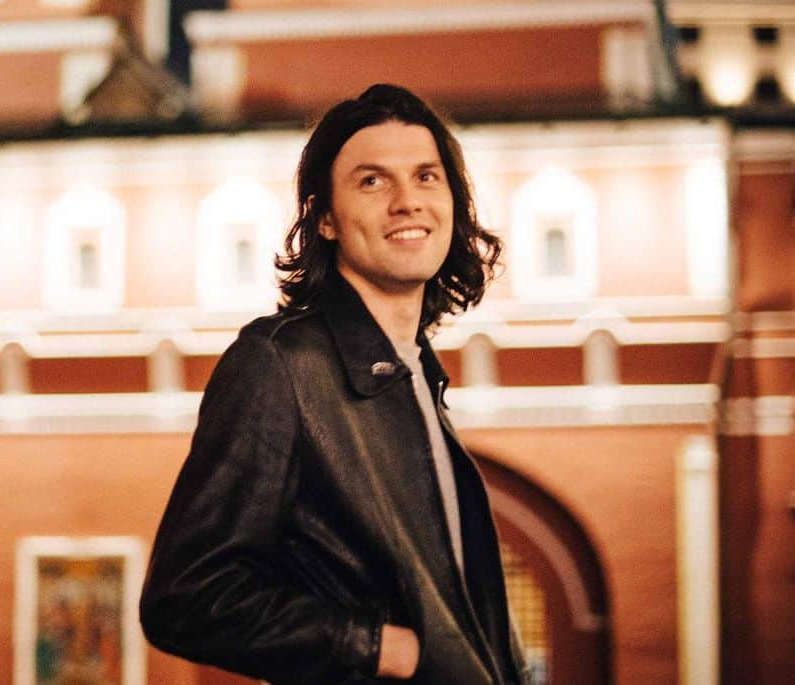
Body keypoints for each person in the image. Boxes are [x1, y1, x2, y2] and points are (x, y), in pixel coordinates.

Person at [140, 84, 528, 685]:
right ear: (325, 218)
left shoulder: (416, 370)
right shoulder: (280, 363)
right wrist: (384, 649)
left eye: (427, 177)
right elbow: (186, 595)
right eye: (372, 181)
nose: (408, 202)